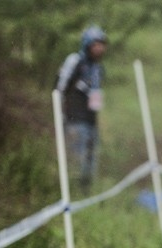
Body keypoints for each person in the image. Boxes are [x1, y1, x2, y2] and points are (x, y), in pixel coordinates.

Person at [55, 25, 108, 193]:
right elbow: (58, 88)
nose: (99, 48)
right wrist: (61, 114)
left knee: (90, 164)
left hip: (91, 120)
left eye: (102, 44)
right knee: (77, 162)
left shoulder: (98, 69)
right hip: (74, 120)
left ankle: (85, 195)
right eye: (95, 44)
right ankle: (72, 194)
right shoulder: (75, 61)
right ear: (87, 44)